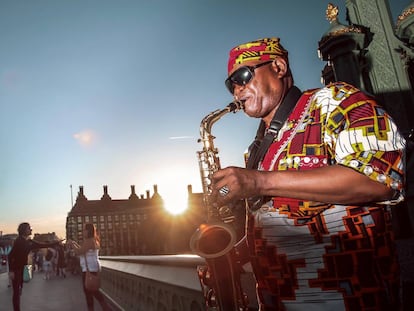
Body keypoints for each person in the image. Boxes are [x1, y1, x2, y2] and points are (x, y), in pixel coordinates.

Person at [211, 37, 406, 310]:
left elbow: (381, 178)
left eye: (243, 77)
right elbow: (275, 219)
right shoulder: (256, 149)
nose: (237, 91)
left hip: (349, 300)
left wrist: (258, 181)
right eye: (231, 84)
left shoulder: (335, 101)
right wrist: (231, 255)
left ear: (278, 67)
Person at [8, 222, 59, 311]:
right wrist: (11, 270)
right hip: (16, 269)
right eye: (29, 228)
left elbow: (41, 245)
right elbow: (10, 255)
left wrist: (55, 243)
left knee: (19, 290)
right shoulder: (18, 241)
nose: (31, 229)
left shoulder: (29, 241)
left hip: (23, 268)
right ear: (24, 230)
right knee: (16, 292)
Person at [68, 223, 110, 311]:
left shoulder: (89, 241)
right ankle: (106, 308)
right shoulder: (94, 240)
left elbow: (79, 252)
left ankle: (103, 308)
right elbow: (84, 250)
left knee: (89, 291)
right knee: (93, 290)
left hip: (88, 269)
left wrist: (72, 245)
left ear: (88, 231)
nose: (83, 232)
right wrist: (75, 243)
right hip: (94, 267)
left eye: (84, 230)